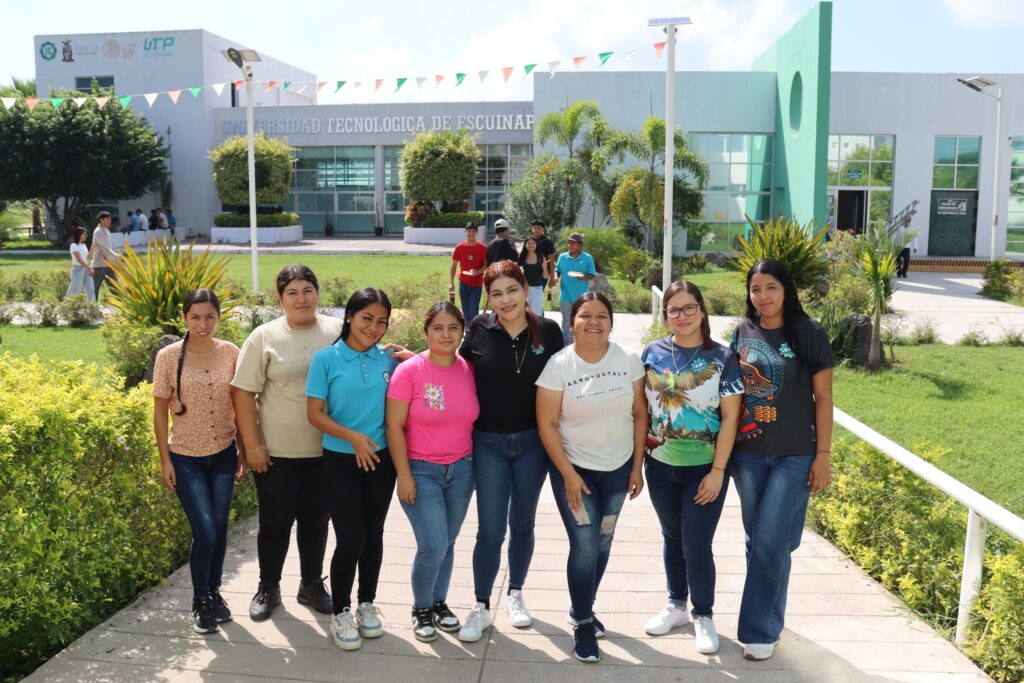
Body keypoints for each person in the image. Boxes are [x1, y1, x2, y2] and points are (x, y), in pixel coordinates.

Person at [730, 259, 834, 661]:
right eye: (755, 289)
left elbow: (823, 398)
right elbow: (733, 393)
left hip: (795, 453)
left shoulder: (809, 332)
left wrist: (823, 455)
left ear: (786, 289)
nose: (763, 296)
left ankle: (759, 630)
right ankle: (771, 610)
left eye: (771, 287)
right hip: (748, 454)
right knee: (764, 540)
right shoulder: (743, 331)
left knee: (771, 540)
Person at [536, 292, 647, 663]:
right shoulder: (559, 365)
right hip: (575, 470)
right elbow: (547, 424)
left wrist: (636, 467)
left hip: (617, 469)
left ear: (611, 323)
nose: (594, 322)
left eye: (602, 316)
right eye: (585, 315)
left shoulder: (629, 360)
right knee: (584, 544)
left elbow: (640, 414)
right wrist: (567, 474)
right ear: (572, 323)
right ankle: (583, 623)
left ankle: (581, 606)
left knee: (603, 539)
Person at [456, 261, 564, 643]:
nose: (505, 300)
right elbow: (452, 367)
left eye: (512, 290)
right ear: (488, 297)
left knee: (522, 522)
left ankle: (515, 592)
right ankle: (481, 605)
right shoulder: (479, 328)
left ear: (525, 290)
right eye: (497, 294)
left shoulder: (548, 331)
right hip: (489, 442)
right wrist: (415, 361)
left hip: (533, 442)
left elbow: (569, 378)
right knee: (490, 529)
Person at [231, 265, 341, 622]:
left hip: (326, 451)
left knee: (316, 521)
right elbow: (243, 393)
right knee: (275, 523)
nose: (301, 299)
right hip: (276, 453)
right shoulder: (264, 337)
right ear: (279, 299)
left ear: (318, 293)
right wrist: (253, 447)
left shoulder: (337, 331)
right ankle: (268, 587)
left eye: (307, 290)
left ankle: (311, 584)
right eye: (292, 292)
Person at [641, 281, 743, 654]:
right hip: (660, 465)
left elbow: (730, 417)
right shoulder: (653, 352)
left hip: (704, 469)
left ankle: (703, 614)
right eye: (674, 310)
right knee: (672, 537)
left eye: (689, 308)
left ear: (701, 309)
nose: (681, 316)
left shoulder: (722, 357)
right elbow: (641, 410)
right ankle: (676, 605)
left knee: (697, 545)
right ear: (665, 314)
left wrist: (718, 471)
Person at [307, 287, 411, 651]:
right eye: (367, 318)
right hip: (340, 460)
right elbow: (314, 414)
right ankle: (341, 611)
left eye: (382, 322)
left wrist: (412, 357)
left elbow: (427, 374)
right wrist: (353, 438)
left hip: (381, 461)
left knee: (373, 535)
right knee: (351, 539)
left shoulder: (389, 359)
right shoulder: (326, 359)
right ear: (349, 316)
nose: (374, 328)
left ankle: (367, 603)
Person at [152, 289, 246, 634]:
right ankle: (199, 599)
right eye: (195, 317)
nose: (203, 324)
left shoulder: (231, 352)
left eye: (210, 317)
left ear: (219, 317)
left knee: (219, 528)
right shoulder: (168, 356)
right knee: (205, 530)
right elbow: (159, 412)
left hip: (223, 455)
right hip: (186, 458)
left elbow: (241, 405)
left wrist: (243, 448)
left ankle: (214, 593)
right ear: (184, 318)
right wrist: (165, 460)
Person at [385, 302, 479, 643]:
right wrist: (403, 475)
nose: (446, 335)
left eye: (453, 328)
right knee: (433, 545)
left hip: (462, 470)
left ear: (462, 332)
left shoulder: (468, 369)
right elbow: (394, 426)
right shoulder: (409, 372)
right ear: (426, 332)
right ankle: (421, 607)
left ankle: (439, 602)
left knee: (448, 542)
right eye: (437, 328)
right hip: (421, 471)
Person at [551, 232, 597, 344]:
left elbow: (592, 275)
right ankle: (566, 346)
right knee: (566, 322)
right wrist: (556, 277)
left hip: (581, 298)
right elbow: (558, 270)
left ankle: (579, 344)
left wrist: (584, 277)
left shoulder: (587, 258)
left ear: (580, 245)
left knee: (581, 321)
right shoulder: (563, 257)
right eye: (569, 242)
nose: (570, 245)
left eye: (573, 243)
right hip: (565, 297)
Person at [450, 222, 487, 322]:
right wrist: (451, 282)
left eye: (473, 231)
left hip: (477, 284)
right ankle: (469, 328)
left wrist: (477, 272)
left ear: (477, 232)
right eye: (469, 231)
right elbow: (454, 265)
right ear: (465, 232)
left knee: (473, 311)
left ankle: (473, 329)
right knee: (466, 311)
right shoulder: (460, 247)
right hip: (463, 283)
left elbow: (486, 265)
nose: (471, 233)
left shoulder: (483, 248)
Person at [517, 236, 550, 316]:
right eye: (528, 243)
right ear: (525, 245)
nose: (531, 245)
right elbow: (517, 273)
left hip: (537, 288)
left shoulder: (541, 258)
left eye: (533, 243)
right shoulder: (521, 257)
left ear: (536, 245)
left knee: (536, 314)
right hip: (524, 289)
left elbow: (545, 276)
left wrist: (544, 267)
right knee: (523, 313)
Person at [90, 211, 119, 300]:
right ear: (101, 220)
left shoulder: (106, 231)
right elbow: (105, 247)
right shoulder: (98, 231)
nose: (109, 221)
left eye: (110, 219)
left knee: (116, 287)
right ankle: (92, 306)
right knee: (95, 289)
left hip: (109, 264)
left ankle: (123, 305)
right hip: (99, 265)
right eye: (107, 219)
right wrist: (117, 256)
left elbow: (109, 247)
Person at [65, 226, 95, 301]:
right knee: (75, 290)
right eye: (84, 234)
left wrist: (92, 246)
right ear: (79, 234)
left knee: (90, 288)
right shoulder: (73, 245)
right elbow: (79, 260)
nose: (86, 235)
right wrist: (89, 268)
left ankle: (92, 305)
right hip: (78, 270)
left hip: (86, 269)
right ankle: (67, 304)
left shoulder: (83, 245)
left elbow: (89, 257)